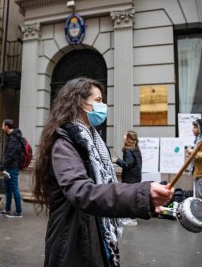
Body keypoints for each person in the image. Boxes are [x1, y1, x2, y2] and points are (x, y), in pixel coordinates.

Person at [33, 77, 174, 266]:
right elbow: (83, 192)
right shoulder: (64, 143)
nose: (104, 106)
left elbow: (106, 188)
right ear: (81, 103)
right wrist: (141, 194)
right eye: (98, 100)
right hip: (73, 244)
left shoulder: (94, 142)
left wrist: (145, 201)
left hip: (95, 235)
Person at [0, 119, 24, 218]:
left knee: (14, 188)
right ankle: (7, 209)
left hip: (12, 167)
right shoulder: (12, 136)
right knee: (7, 188)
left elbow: (10, 155)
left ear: (7, 126)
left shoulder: (14, 138)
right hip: (9, 166)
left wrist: (1, 168)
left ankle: (18, 212)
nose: (2, 127)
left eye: (3, 125)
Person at [114, 131, 142, 227]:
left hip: (130, 179)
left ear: (128, 139)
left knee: (129, 199)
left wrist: (116, 160)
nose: (124, 136)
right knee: (132, 198)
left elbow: (127, 164)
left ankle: (131, 219)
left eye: (126, 135)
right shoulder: (136, 149)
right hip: (136, 178)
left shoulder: (128, 151)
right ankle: (130, 217)